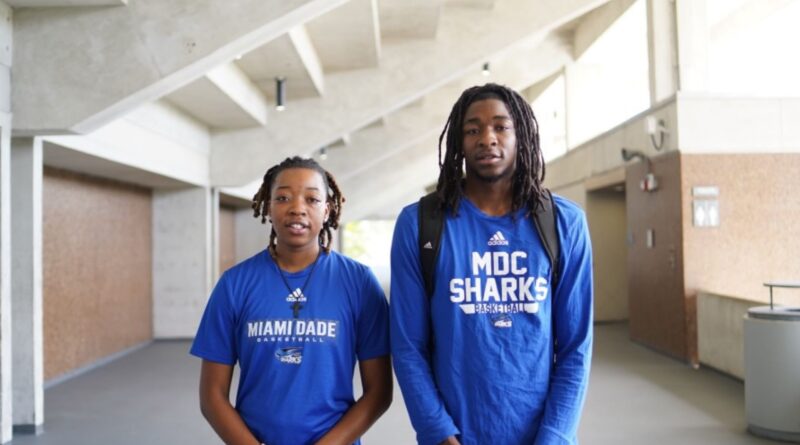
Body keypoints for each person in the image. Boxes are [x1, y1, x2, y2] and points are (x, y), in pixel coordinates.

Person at [390, 83, 593, 445]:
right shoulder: (420, 224)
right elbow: (408, 346)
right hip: (453, 436)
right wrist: (438, 431)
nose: (487, 138)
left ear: (523, 136)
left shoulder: (564, 223)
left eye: (501, 126)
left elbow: (576, 346)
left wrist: (555, 436)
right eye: (473, 129)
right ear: (458, 140)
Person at [191, 156, 392, 445]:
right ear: (268, 207)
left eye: (311, 199)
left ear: (327, 210)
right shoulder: (234, 284)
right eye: (283, 197)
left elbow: (379, 392)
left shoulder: (359, 283)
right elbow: (211, 396)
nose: (297, 208)